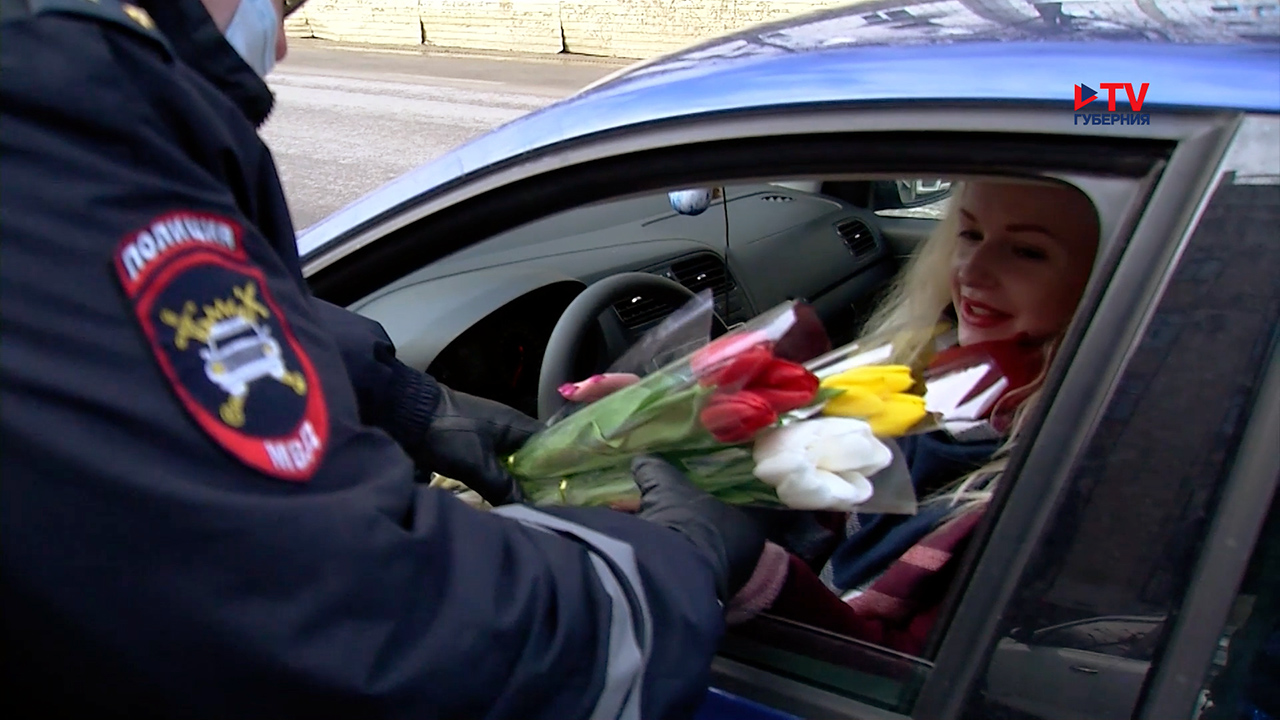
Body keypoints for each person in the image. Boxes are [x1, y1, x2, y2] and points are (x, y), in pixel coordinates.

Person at [0, 0, 765, 717]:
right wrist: (675, 566)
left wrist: (409, 401)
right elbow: (363, 622)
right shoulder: (67, 121)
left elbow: (198, 324)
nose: (282, 39)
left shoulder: (66, 100)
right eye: (282, 2)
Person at [565, 178, 1102, 654]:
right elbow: (825, 495)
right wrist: (680, 424)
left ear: (1107, 275)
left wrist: (746, 566)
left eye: (1027, 252)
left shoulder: (1053, 485)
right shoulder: (940, 374)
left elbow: (900, 676)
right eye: (970, 234)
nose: (973, 271)